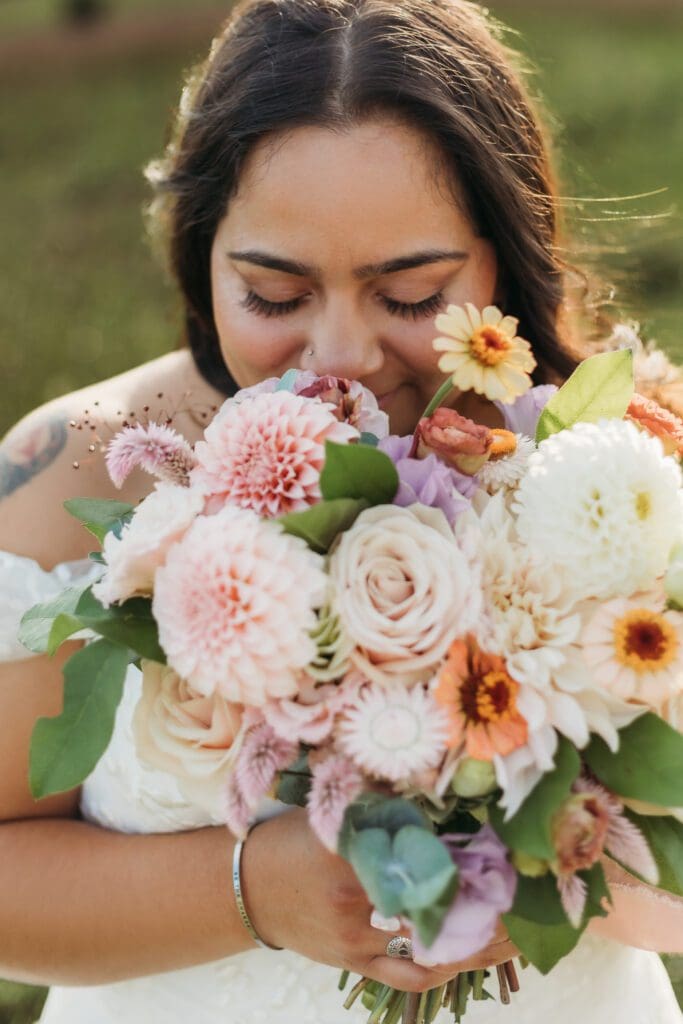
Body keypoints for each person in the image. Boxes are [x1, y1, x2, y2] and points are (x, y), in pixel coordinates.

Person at [0, 1, 681, 1021]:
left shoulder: (618, 475)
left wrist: (555, 840)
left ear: (503, 252)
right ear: (200, 254)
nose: (339, 356)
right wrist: (252, 892)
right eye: (274, 295)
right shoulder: (72, 475)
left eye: (409, 293)